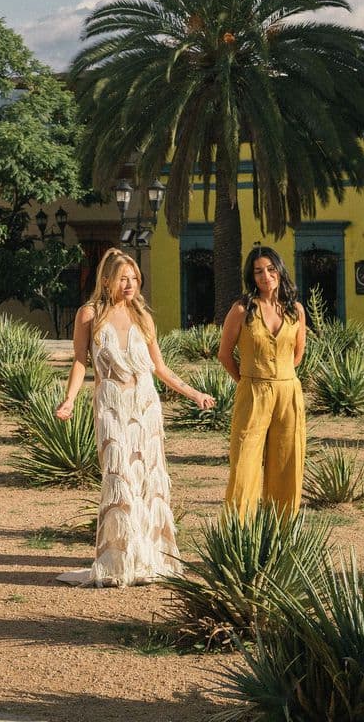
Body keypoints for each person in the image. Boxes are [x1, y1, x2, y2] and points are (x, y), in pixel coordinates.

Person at [55, 247, 214, 586]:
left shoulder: (143, 316)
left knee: (148, 480)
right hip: (111, 403)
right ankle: (118, 559)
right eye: (123, 279)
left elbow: (159, 368)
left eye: (134, 279)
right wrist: (69, 400)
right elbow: (81, 362)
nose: (130, 285)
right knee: (119, 477)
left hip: (145, 407)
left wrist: (194, 393)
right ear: (107, 279)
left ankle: (148, 557)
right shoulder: (89, 314)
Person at [219, 244, 306, 518]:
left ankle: (281, 531)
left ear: (280, 271)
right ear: (251, 276)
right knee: (244, 463)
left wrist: (279, 378)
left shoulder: (295, 310)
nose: (265, 276)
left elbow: (297, 355)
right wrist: (247, 379)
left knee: (287, 463)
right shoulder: (242, 309)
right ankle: (237, 532)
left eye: (270, 269)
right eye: (258, 271)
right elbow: (224, 354)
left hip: (288, 393)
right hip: (252, 391)